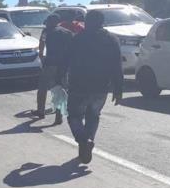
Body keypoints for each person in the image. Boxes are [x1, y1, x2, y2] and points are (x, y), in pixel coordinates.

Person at [59, 10, 123, 164]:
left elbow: (65, 60)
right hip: (101, 86)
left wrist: (59, 78)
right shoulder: (111, 40)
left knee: (74, 116)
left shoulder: (78, 39)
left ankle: (84, 140)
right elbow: (117, 65)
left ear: (88, 22)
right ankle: (86, 146)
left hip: (79, 85)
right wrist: (118, 88)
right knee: (93, 116)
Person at [34, 14, 73, 124]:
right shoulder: (67, 32)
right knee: (60, 90)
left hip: (50, 63)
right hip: (63, 65)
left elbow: (41, 45)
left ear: (49, 22)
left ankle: (40, 111)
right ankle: (58, 116)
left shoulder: (46, 32)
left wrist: (41, 56)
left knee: (42, 87)